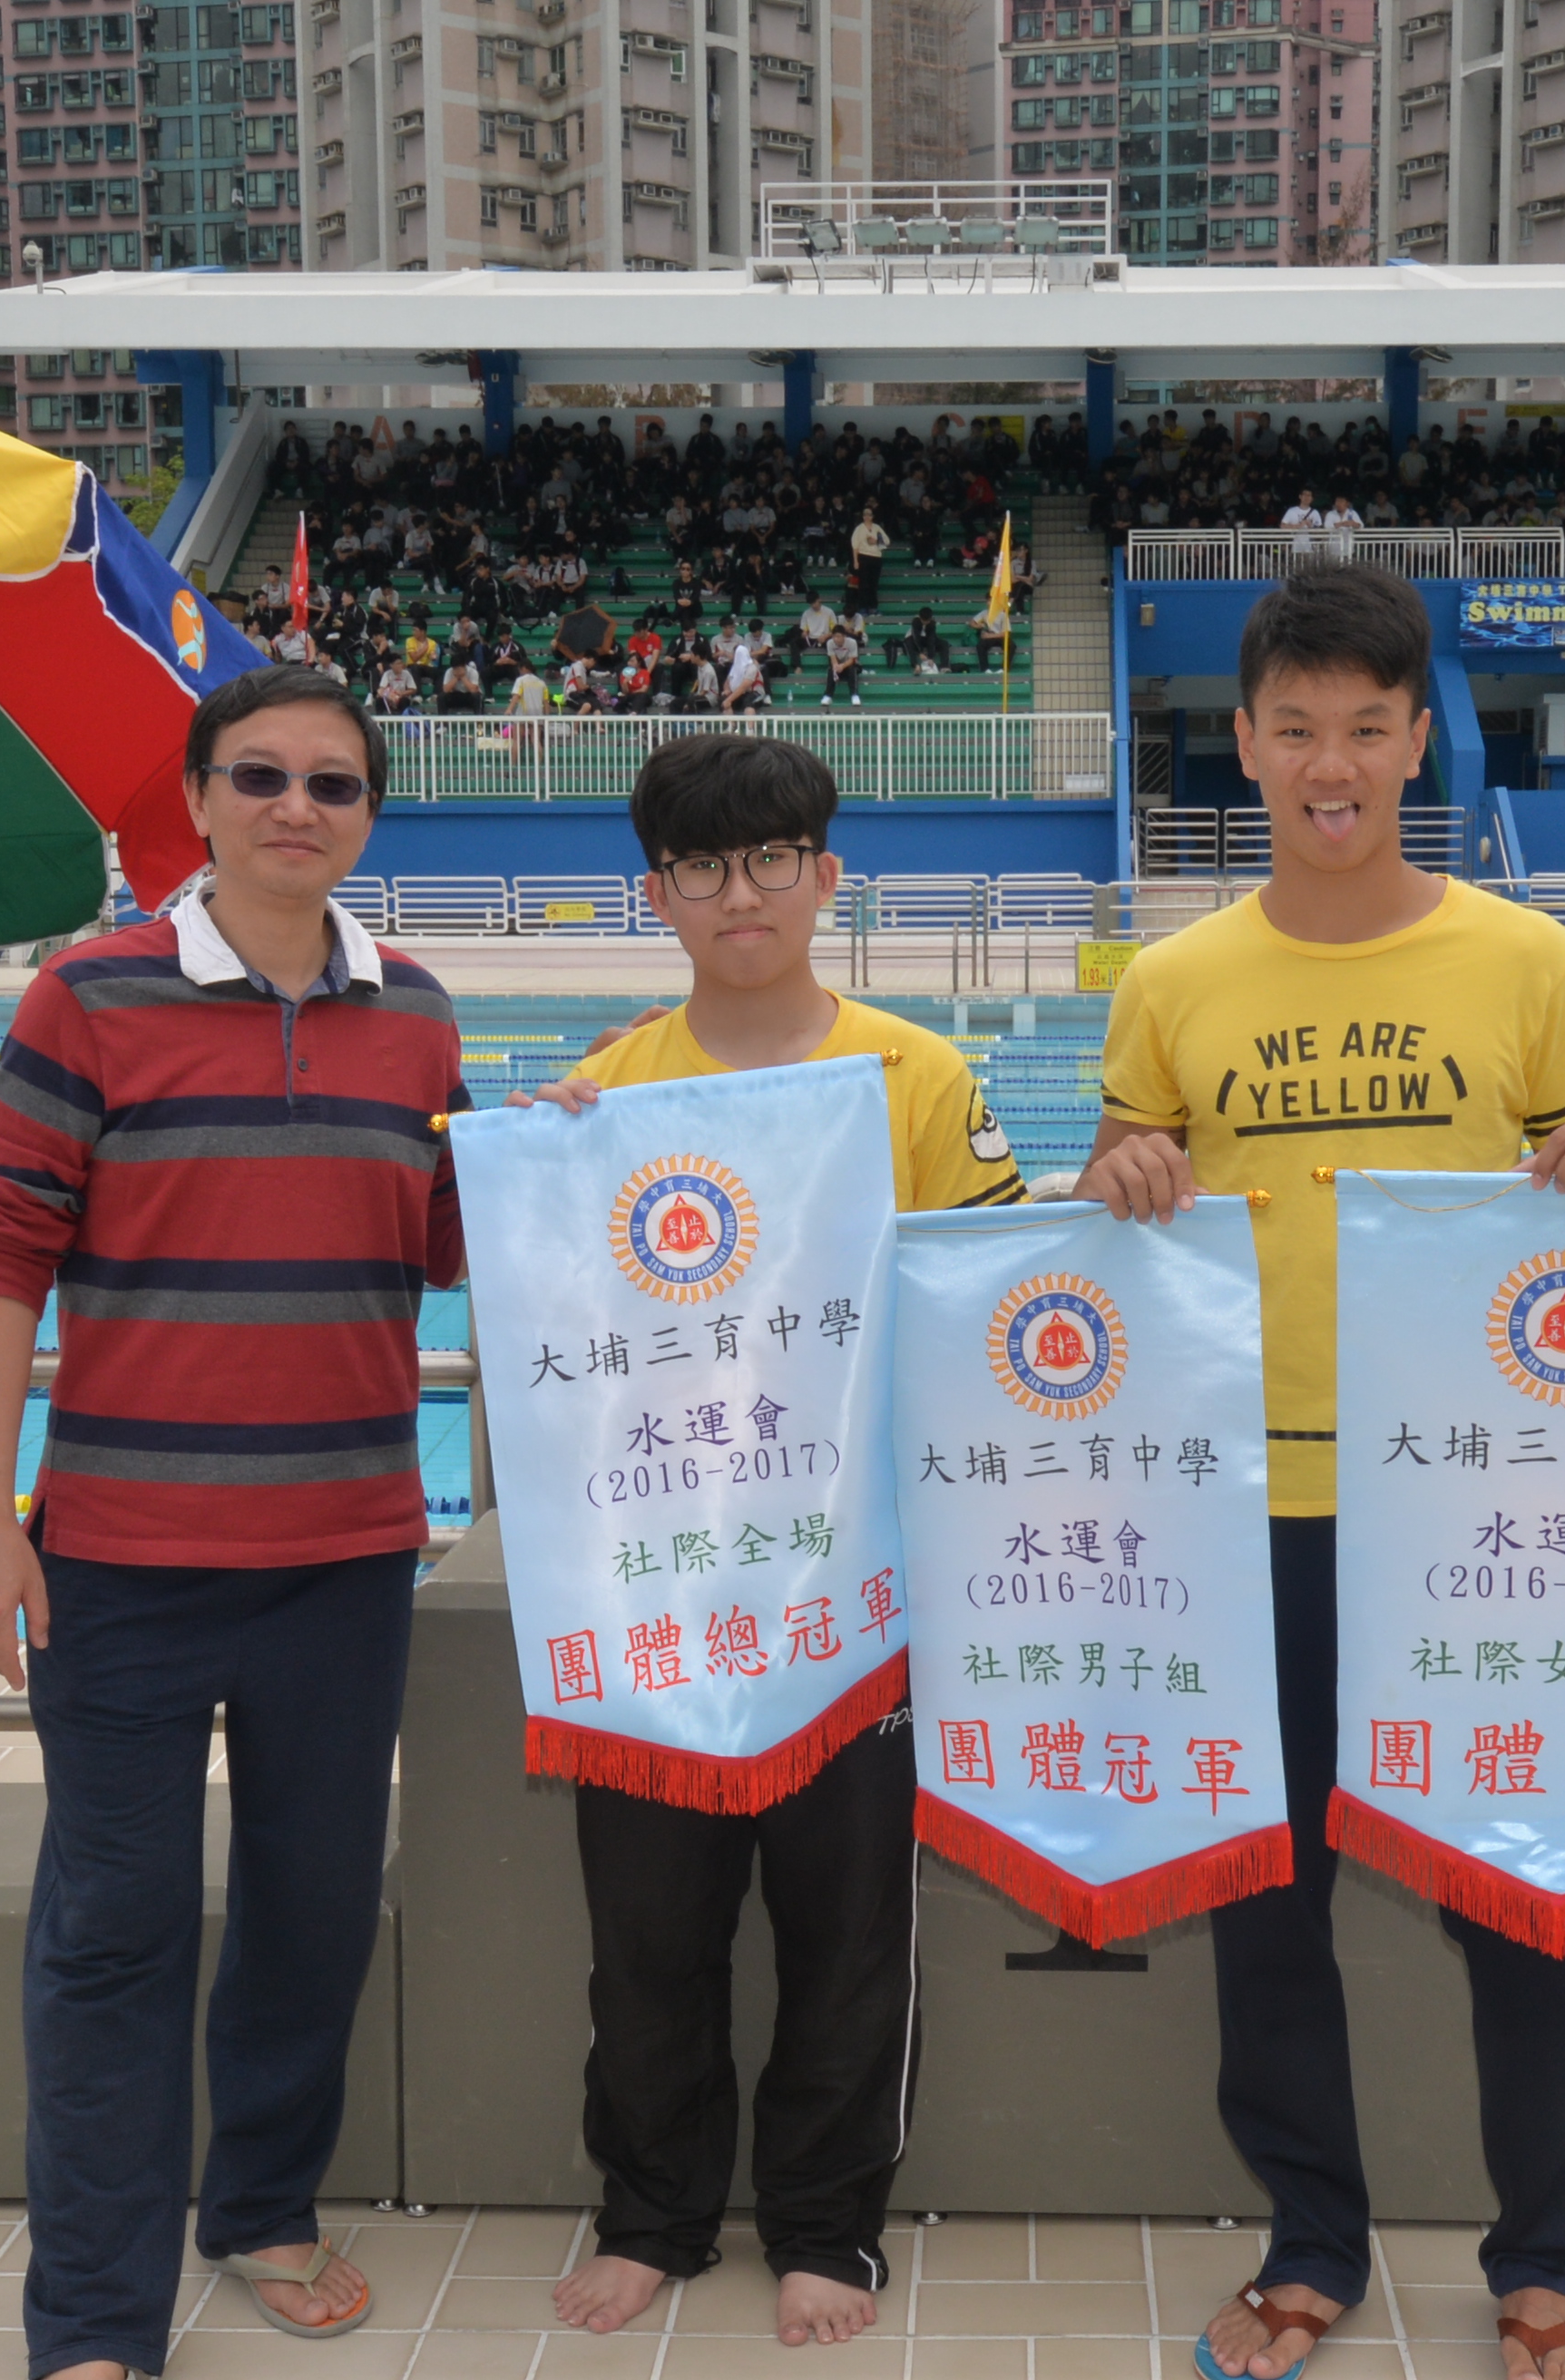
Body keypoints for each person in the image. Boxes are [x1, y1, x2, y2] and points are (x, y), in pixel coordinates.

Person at [1072, 565, 1565, 2380]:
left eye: (1367, 728)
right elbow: (1118, 1194)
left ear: (1417, 743)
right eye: (1297, 728)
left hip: (1468, 1505)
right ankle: (1310, 2244)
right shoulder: (1174, 980)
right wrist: (1115, 1177)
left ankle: (1542, 2265)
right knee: (1270, 1910)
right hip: (1254, 1512)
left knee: (1526, 1895)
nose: (1332, 764)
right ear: (1246, 745)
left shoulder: (1523, 960)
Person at [0, 663, 468, 2380]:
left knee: (313, 1916)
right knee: (115, 1933)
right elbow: (3, 1267)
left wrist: (575, 1156)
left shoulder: (417, 1013)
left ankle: (260, 2208)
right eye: (260, 776)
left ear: (368, 816)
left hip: (345, 1560)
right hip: (121, 1564)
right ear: (195, 800)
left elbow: (451, 1242)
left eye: (333, 783)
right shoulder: (87, 998)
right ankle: (96, 2321)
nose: (295, 808)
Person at [511, 735, 1025, 2354]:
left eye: (774, 858)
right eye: (705, 867)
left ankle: (826, 2226)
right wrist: (538, 1173)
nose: (743, 894)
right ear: (656, 895)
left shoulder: (917, 1077)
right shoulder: (608, 1090)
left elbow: (989, 1310)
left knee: (850, 1929)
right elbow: (561, 1351)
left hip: (855, 1592)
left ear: (826, 875)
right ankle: (651, 2214)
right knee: (647, 1933)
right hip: (663, 1595)